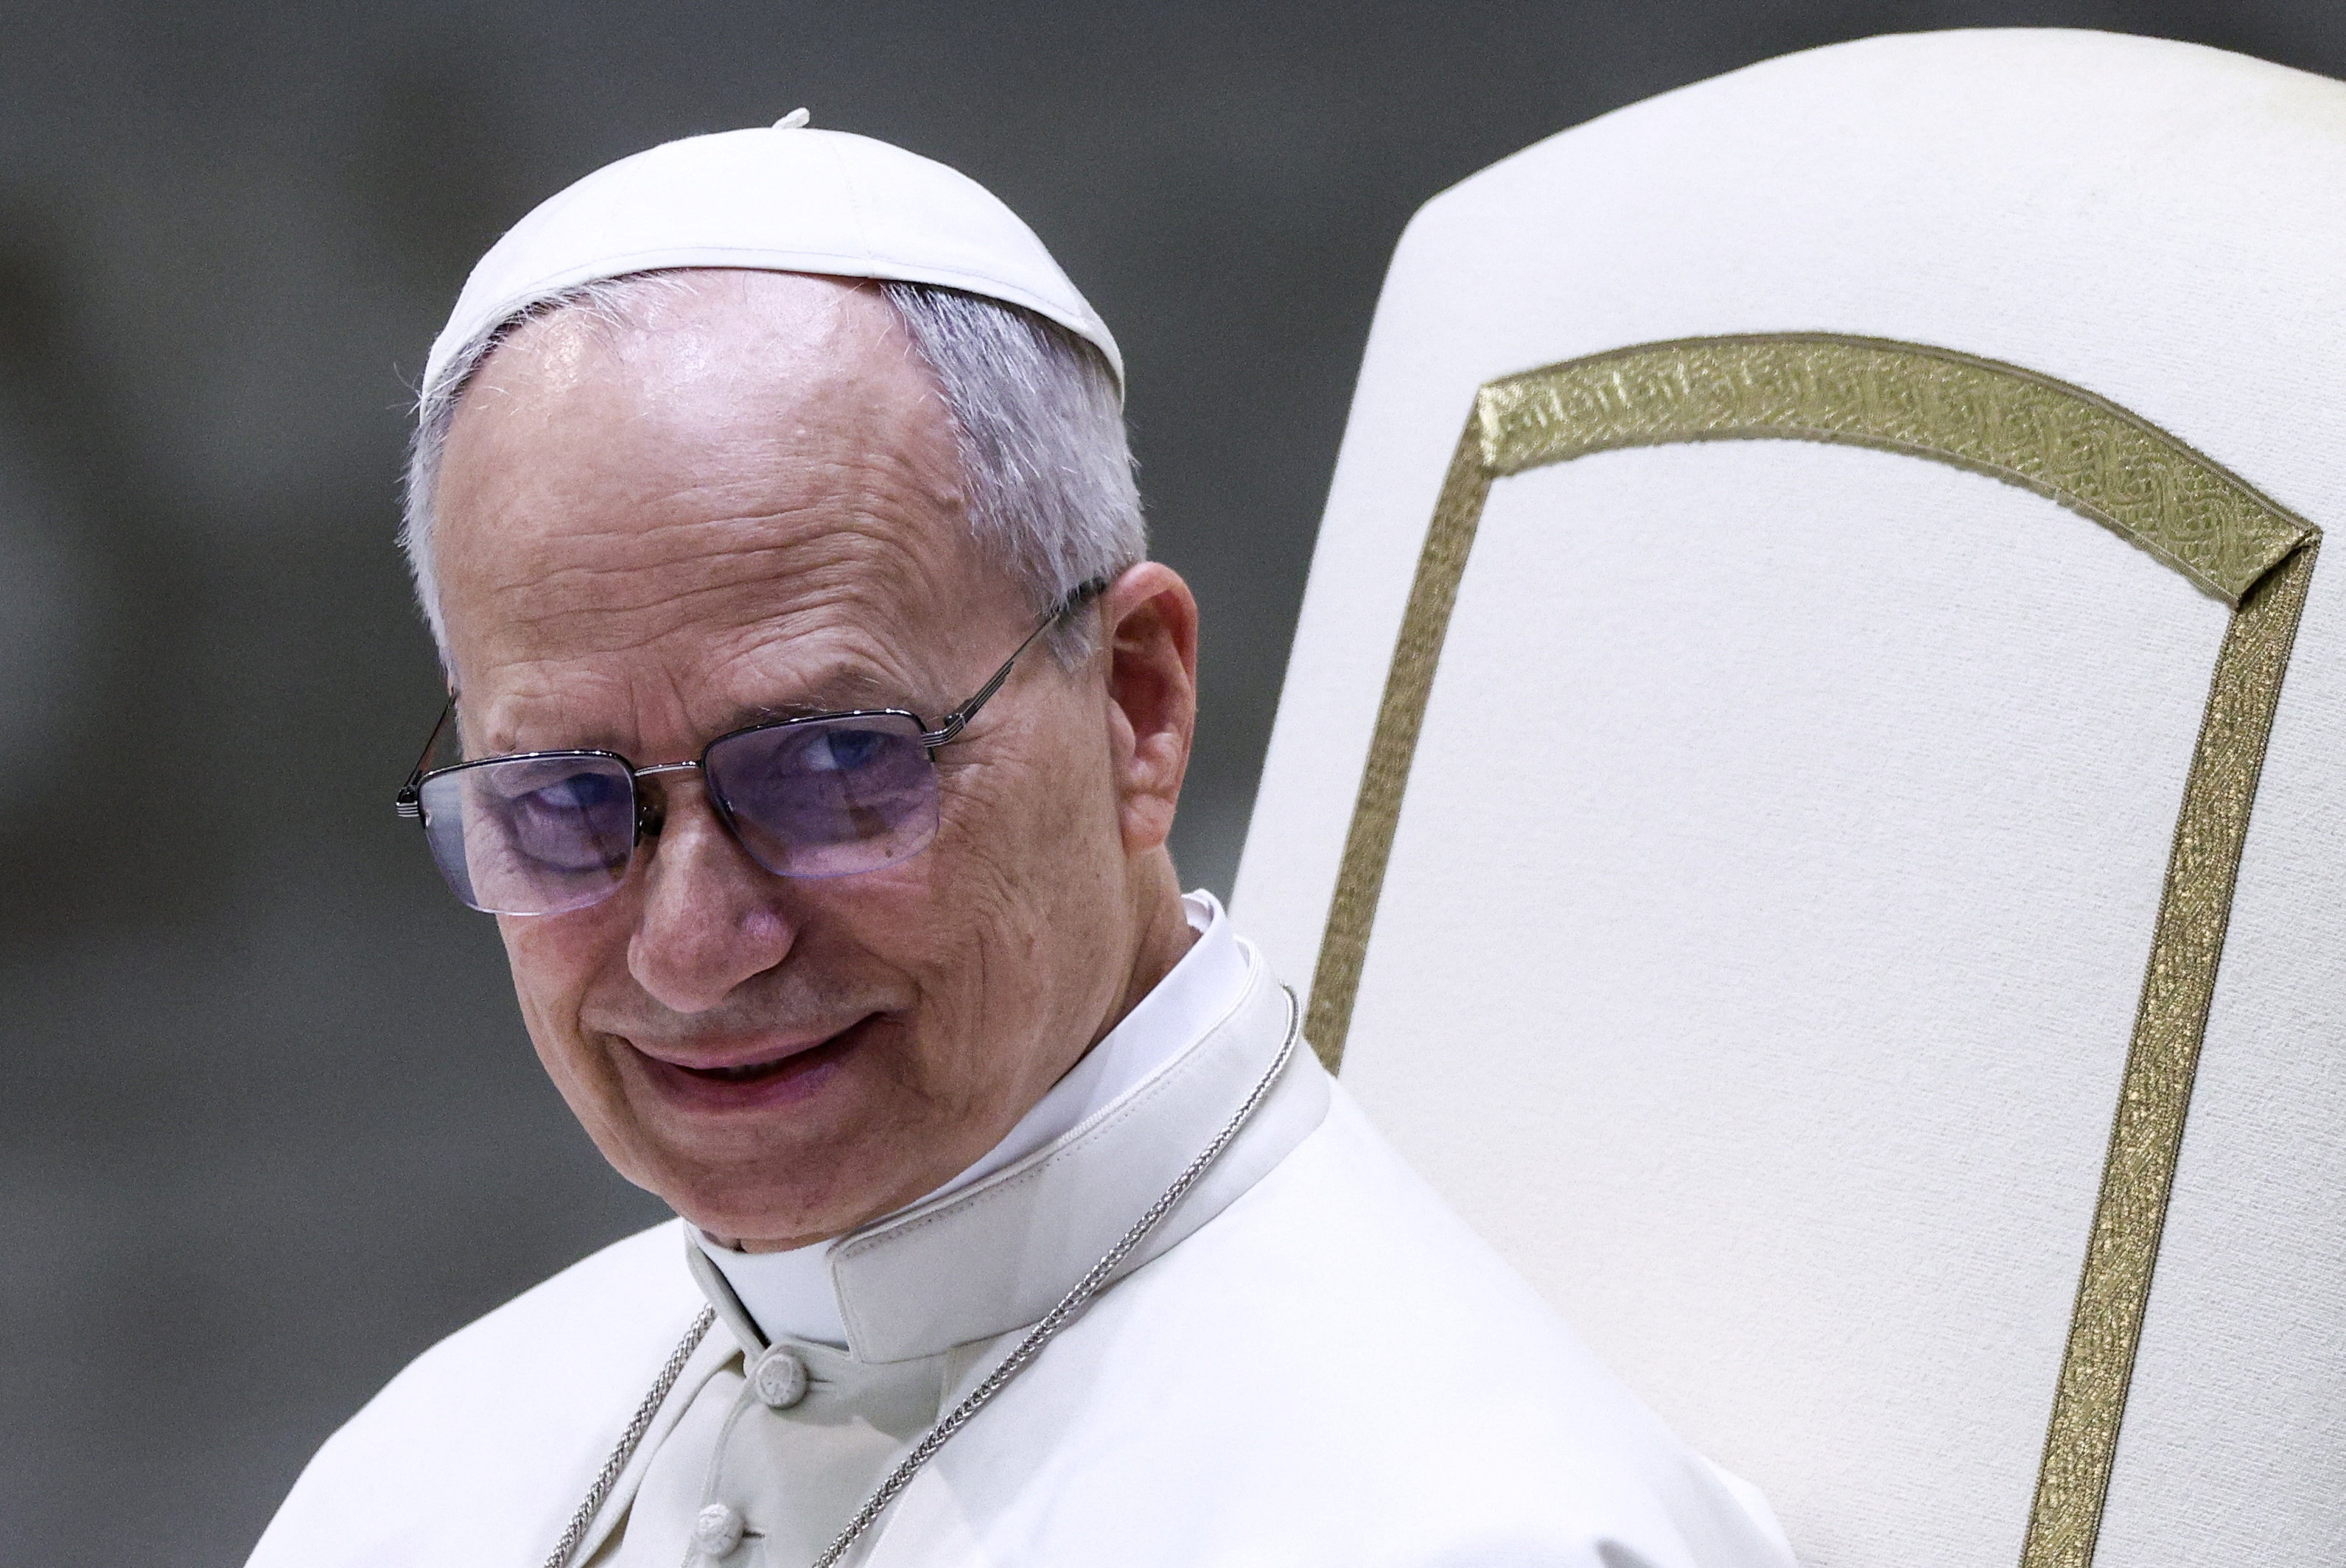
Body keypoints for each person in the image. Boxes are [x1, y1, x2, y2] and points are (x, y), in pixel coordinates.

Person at [246, 114, 1793, 1568]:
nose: (694, 947)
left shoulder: (1458, 1519)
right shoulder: (416, 1479)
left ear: (1135, 702)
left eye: (832, 763)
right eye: (566, 800)